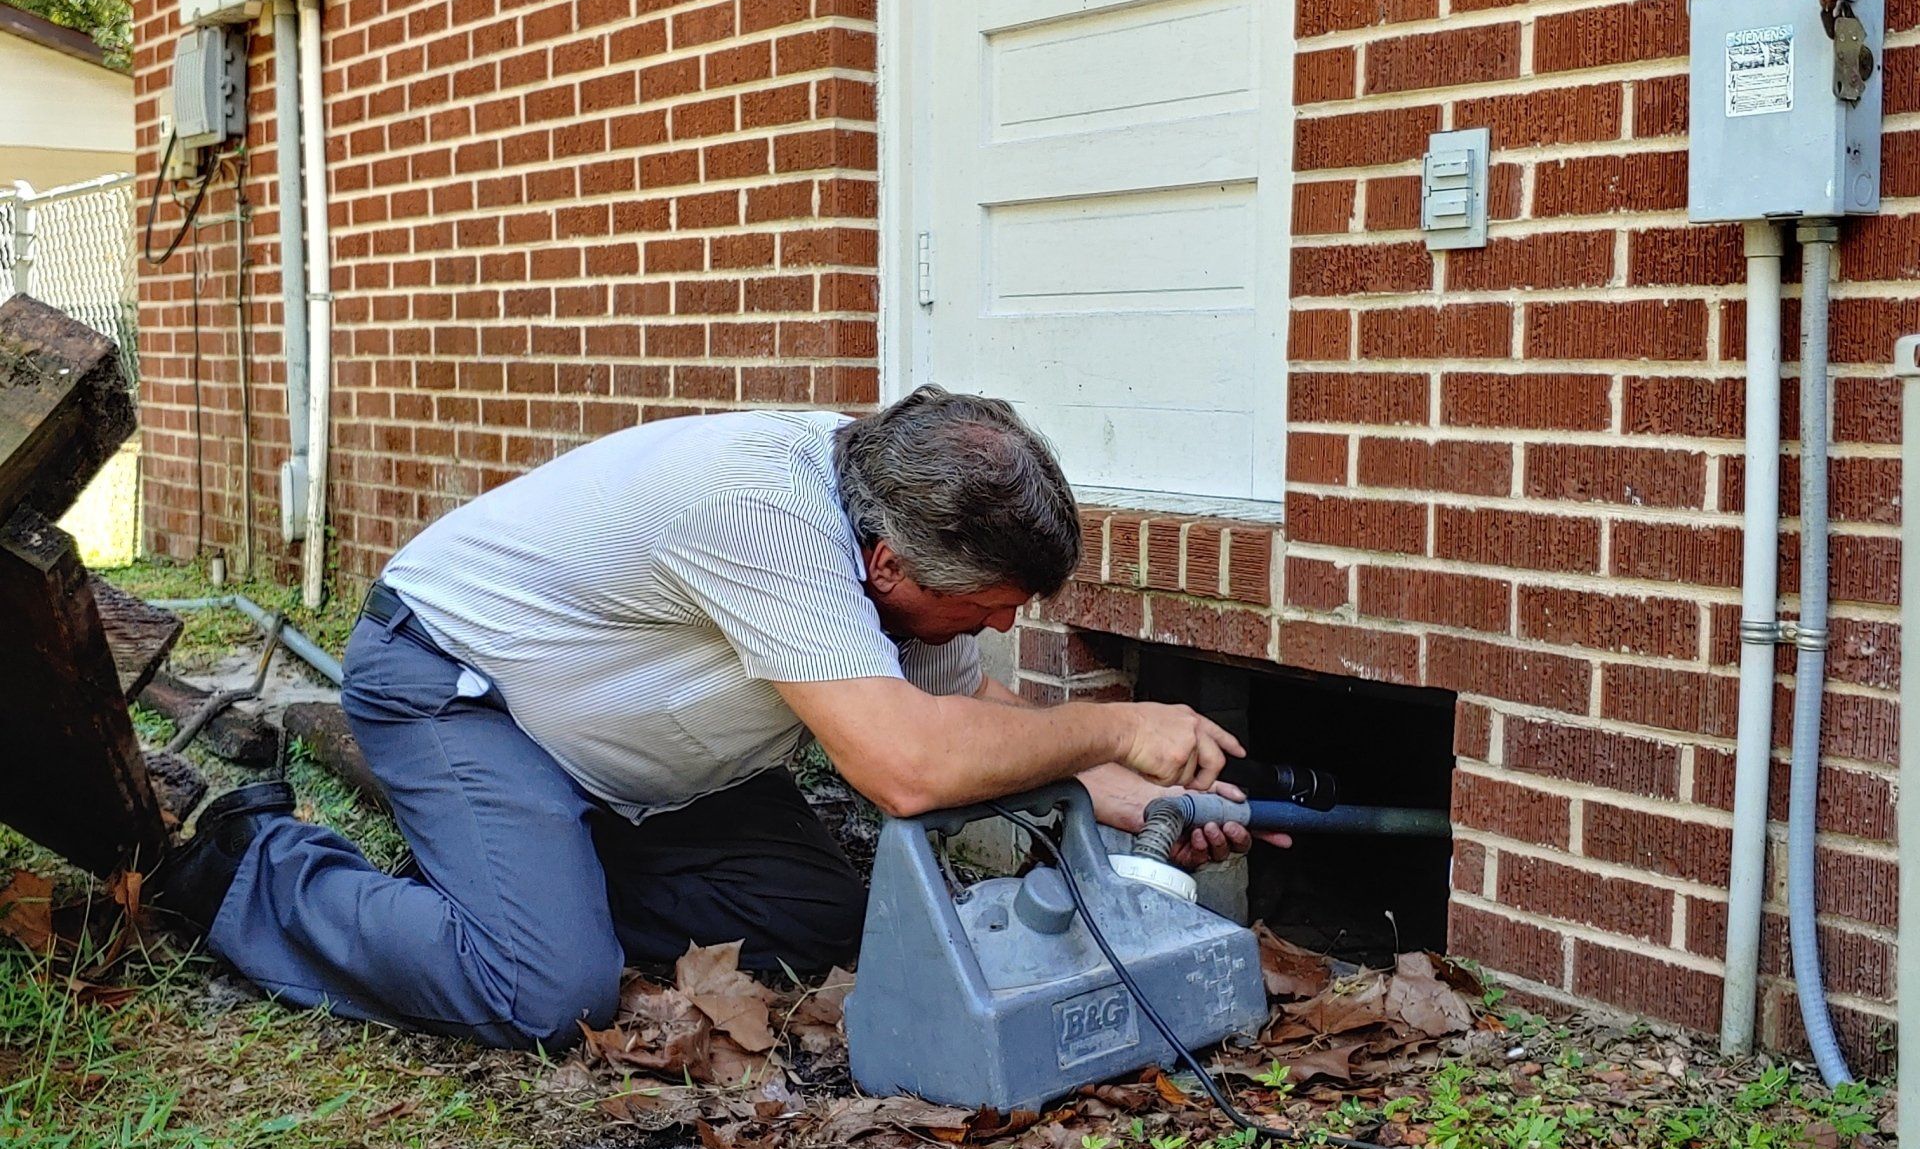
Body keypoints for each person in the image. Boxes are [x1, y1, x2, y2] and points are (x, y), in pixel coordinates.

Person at [155, 387, 1260, 1051]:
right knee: (547, 990)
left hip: (631, 750)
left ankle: (543, 878)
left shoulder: (893, 505)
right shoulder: (758, 507)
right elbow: (909, 767)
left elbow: (970, 711)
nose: (999, 624)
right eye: (987, 608)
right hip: (460, 683)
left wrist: (1140, 799)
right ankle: (256, 869)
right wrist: (1117, 726)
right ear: (885, 565)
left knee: (829, 916)